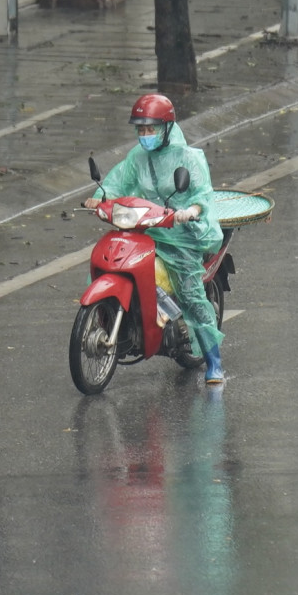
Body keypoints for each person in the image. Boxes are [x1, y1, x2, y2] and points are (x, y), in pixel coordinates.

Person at [84, 93, 226, 383]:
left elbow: (202, 195)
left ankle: (214, 362)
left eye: (151, 129)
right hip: (147, 229)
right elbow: (116, 182)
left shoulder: (189, 158)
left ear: (167, 128)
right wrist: (98, 197)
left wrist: (192, 210)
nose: (146, 135)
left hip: (182, 236)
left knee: (190, 294)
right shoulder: (137, 157)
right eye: (141, 129)